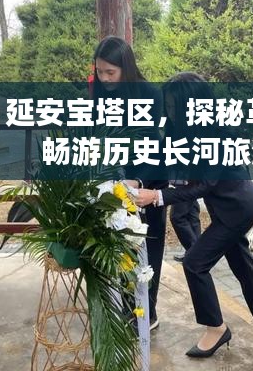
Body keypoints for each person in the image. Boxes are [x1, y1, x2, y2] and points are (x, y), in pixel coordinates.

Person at [135, 72, 253, 358]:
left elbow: (203, 185)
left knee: (194, 263)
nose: (170, 113)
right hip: (227, 206)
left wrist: (157, 196)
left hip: (237, 207)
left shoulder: (216, 133)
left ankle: (216, 328)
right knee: (239, 259)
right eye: (168, 107)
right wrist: (139, 179)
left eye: (175, 107)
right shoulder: (182, 130)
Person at [92, 35, 168, 331]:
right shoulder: (100, 94)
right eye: (100, 71)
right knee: (121, 245)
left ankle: (148, 312)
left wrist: (138, 181)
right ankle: (127, 305)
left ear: (126, 68)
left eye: (111, 72)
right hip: (115, 182)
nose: (105, 78)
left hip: (146, 182)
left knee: (149, 247)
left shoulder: (149, 94)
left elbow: (155, 145)